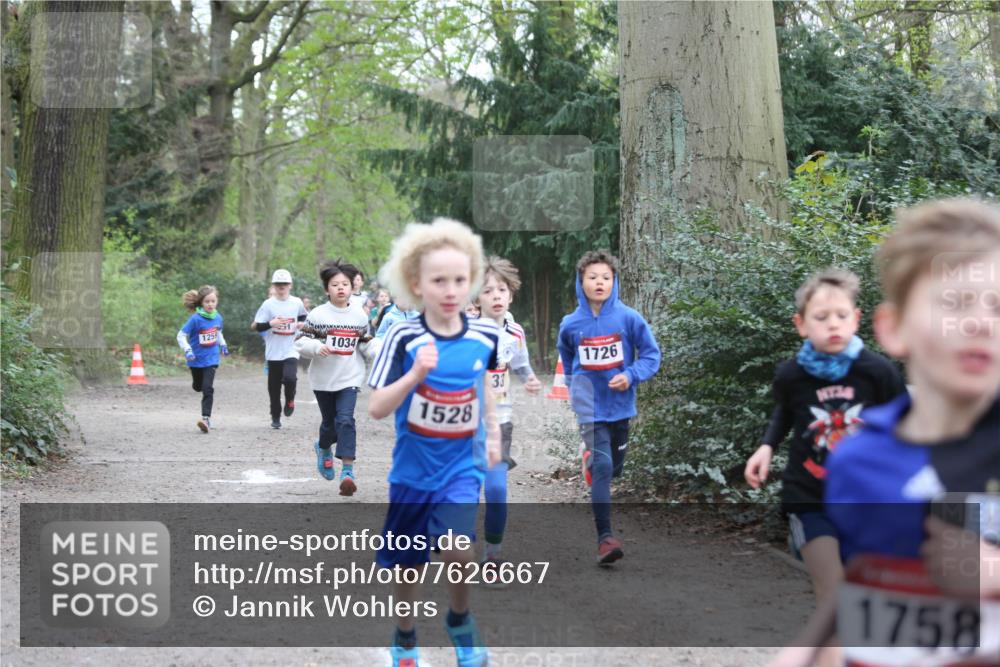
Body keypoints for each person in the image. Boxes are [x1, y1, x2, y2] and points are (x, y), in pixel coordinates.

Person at [771, 199, 1000, 667]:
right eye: (955, 303)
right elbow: (863, 580)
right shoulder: (858, 460)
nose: (980, 321)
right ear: (894, 330)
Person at [744, 268, 906, 667]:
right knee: (835, 590)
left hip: (866, 502)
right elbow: (786, 412)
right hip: (809, 497)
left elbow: (905, 425)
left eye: (841, 315)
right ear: (801, 324)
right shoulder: (792, 375)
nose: (833, 324)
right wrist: (766, 446)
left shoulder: (878, 372)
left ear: (856, 318)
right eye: (821, 317)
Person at [367, 217, 501, 667]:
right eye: (438, 280)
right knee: (410, 563)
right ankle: (405, 635)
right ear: (416, 284)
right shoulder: (403, 336)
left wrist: (493, 434)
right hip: (412, 471)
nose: (450, 290)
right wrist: (415, 374)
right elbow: (377, 407)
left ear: (472, 281)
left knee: (459, 548)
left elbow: (484, 387)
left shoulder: (485, 335)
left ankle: (459, 620)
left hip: (461, 467)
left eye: (460, 280)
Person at [556, 250, 661, 565]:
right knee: (603, 468)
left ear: (614, 281)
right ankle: (605, 539)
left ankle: (590, 461)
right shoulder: (571, 324)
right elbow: (568, 360)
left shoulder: (628, 318)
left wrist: (630, 375)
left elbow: (651, 355)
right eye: (592, 277)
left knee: (613, 468)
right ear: (581, 282)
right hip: (590, 409)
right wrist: (576, 390)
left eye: (606, 277)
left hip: (620, 407)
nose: (599, 282)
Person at [475, 256, 542, 579]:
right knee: (462, 491)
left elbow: (520, 363)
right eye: (488, 291)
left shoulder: (515, 332)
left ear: (511, 295)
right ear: (476, 298)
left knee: (497, 489)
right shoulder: (463, 331)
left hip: (500, 422)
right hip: (462, 422)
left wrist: (530, 378)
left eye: (501, 290)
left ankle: (493, 554)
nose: (496, 296)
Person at [294, 260, 372, 495]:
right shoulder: (318, 315)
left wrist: (381, 351)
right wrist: (317, 347)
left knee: (346, 420)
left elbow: (366, 343)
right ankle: (323, 447)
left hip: (350, 378)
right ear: (327, 289)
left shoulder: (359, 316)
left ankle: (347, 471)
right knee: (330, 424)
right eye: (335, 284)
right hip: (323, 379)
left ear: (352, 288)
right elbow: (301, 341)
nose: (340, 288)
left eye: (345, 284)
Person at [251, 269, 308, 429]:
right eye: (278, 284)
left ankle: (290, 400)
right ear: (273, 285)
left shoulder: (296, 302)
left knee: (290, 378)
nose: (281, 286)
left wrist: (301, 324)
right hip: (273, 351)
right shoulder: (268, 304)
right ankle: (275, 416)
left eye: (284, 283)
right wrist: (271, 323)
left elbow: (304, 316)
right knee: (274, 388)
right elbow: (256, 326)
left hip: (291, 348)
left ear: (290, 285)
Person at [176, 285, 229, 433]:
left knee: (208, 388)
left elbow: (218, 333)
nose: (210, 304)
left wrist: (223, 345)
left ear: (217, 301)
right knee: (198, 386)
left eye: (213, 301)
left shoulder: (218, 317)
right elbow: (180, 335)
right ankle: (197, 385)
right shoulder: (195, 319)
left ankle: (206, 419)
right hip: (196, 359)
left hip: (212, 359)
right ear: (201, 302)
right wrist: (188, 350)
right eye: (207, 301)